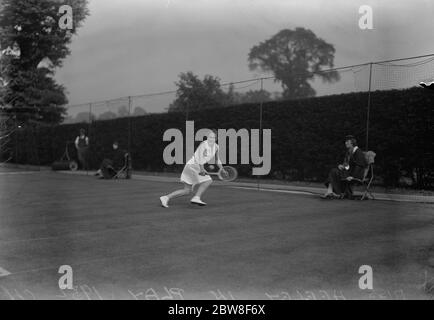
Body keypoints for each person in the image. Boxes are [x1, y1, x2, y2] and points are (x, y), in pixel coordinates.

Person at [160, 130, 227, 208]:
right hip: (193, 165)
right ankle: (196, 197)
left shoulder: (216, 147)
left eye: (214, 137)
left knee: (187, 190)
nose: (212, 138)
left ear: (217, 138)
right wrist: (202, 168)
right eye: (210, 137)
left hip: (191, 166)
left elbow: (217, 160)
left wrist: (222, 169)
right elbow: (199, 157)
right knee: (208, 181)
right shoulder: (204, 144)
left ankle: (165, 197)